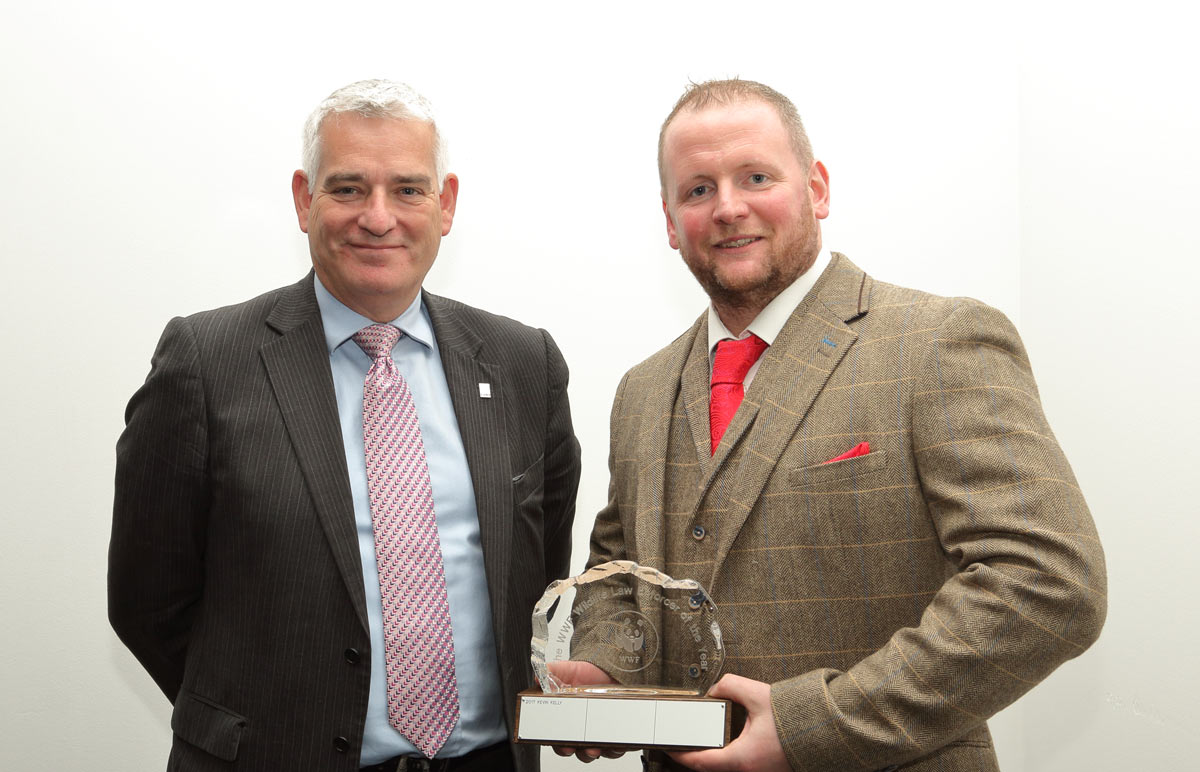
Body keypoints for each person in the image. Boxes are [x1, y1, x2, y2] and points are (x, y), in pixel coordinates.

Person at [564, 79, 1106, 772]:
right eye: (697, 190)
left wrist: (811, 728)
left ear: (816, 189)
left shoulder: (937, 342)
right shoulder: (641, 390)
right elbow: (616, 571)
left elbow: (1049, 584)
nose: (728, 207)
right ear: (670, 222)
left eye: (755, 177)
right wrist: (609, 667)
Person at [109, 79, 581, 772]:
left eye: (409, 190)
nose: (379, 217)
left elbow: (541, 575)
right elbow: (147, 599)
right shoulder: (206, 362)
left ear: (445, 205)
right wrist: (259, 718)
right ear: (305, 200)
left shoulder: (521, 364)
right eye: (349, 188)